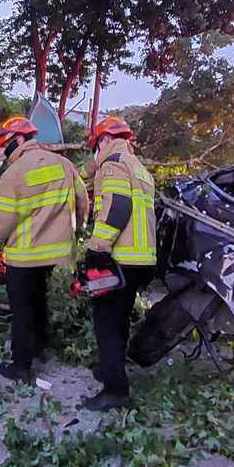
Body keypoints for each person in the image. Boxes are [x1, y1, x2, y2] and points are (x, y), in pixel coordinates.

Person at [0, 115, 87, 384]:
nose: (5, 153)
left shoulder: (13, 174)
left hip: (25, 257)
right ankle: (40, 347)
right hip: (60, 255)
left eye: (6, 146)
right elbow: (83, 201)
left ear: (18, 140)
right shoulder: (64, 164)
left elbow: (3, 221)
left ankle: (21, 367)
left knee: (24, 310)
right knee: (42, 303)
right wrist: (78, 232)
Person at [81, 115, 157, 410]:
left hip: (122, 258)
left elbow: (117, 208)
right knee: (120, 319)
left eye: (94, 146)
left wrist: (97, 247)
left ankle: (116, 390)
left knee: (107, 324)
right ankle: (112, 370)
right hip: (142, 259)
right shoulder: (138, 168)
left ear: (103, 140)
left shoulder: (112, 164)